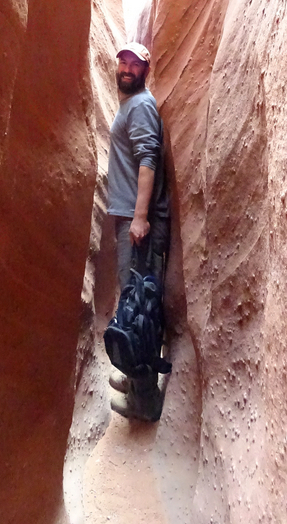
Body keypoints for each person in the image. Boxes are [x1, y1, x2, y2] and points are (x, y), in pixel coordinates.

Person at [106, 42, 170, 421]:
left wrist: (140, 217)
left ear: (146, 70)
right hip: (132, 218)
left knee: (140, 310)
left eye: (136, 64)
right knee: (133, 305)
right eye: (124, 62)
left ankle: (144, 400)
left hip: (139, 224)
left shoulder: (142, 105)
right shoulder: (132, 105)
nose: (128, 68)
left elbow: (148, 158)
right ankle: (134, 379)